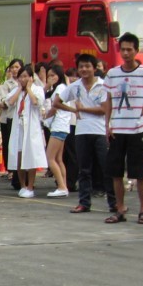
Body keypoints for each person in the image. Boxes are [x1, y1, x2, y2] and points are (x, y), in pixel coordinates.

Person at [104, 34, 143, 224]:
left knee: (139, 174)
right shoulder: (112, 74)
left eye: (130, 49)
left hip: (137, 129)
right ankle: (120, 210)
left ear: (136, 51)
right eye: (123, 49)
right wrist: (107, 124)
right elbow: (109, 100)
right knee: (116, 173)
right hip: (117, 130)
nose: (126, 53)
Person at [55, 53, 115, 215]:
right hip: (82, 132)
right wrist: (74, 109)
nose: (84, 69)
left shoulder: (103, 85)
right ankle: (84, 202)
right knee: (84, 170)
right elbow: (56, 102)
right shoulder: (75, 86)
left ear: (94, 68)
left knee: (106, 168)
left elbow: (103, 109)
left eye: (87, 66)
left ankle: (114, 203)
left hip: (99, 131)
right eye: (81, 66)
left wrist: (82, 109)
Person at [42, 64, 73, 198]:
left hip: (59, 126)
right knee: (59, 159)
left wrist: (45, 117)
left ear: (59, 76)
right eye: (49, 76)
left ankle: (61, 186)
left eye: (53, 75)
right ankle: (63, 185)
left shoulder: (60, 88)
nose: (51, 78)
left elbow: (55, 107)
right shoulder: (61, 88)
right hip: (62, 126)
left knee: (50, 158)